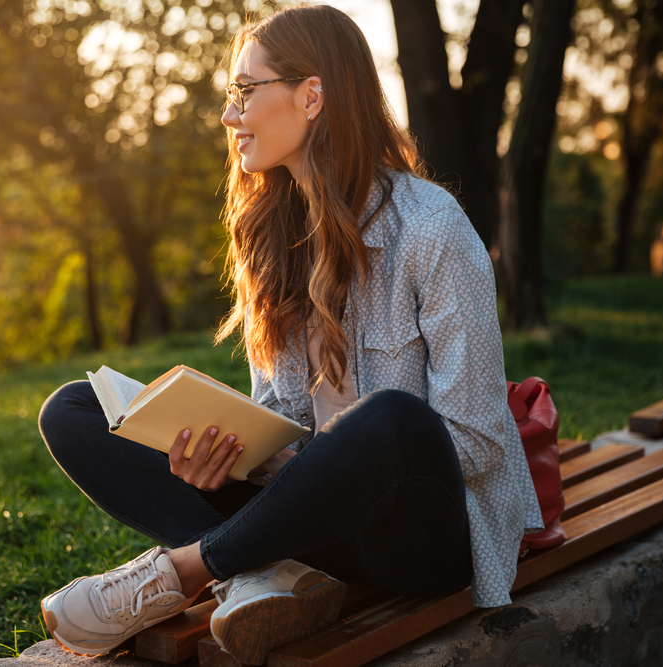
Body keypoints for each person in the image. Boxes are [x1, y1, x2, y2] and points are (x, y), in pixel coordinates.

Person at [36, 5, 543, 665]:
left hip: (415, 539)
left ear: (312, 96)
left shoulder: (433, 231)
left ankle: (186, 569)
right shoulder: (274, 234)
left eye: (246, 92)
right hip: (309, 522)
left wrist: (329, 460)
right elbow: (282, 418)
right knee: (74, 410)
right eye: (231, 94)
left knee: (390, 419)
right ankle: (256, 571)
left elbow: (473, 441)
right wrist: (226, 451)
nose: (229, 115)